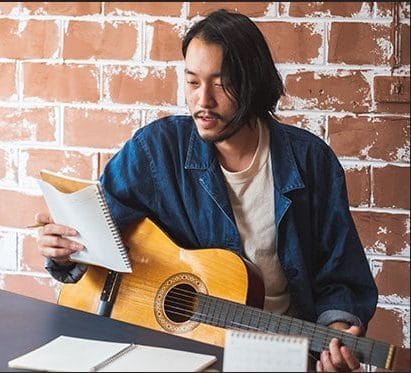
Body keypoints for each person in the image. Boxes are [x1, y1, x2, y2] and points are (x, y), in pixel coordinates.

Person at [35, 9, 378, 372]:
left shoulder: (311, 161)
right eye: (193, 82)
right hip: (173, 349)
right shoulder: (157, 150)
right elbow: (96, 235)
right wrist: (64, 251)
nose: (203, 101)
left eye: (221, 83)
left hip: (279, 354)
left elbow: (341, 275)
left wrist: (337, 337)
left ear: (253, 83)